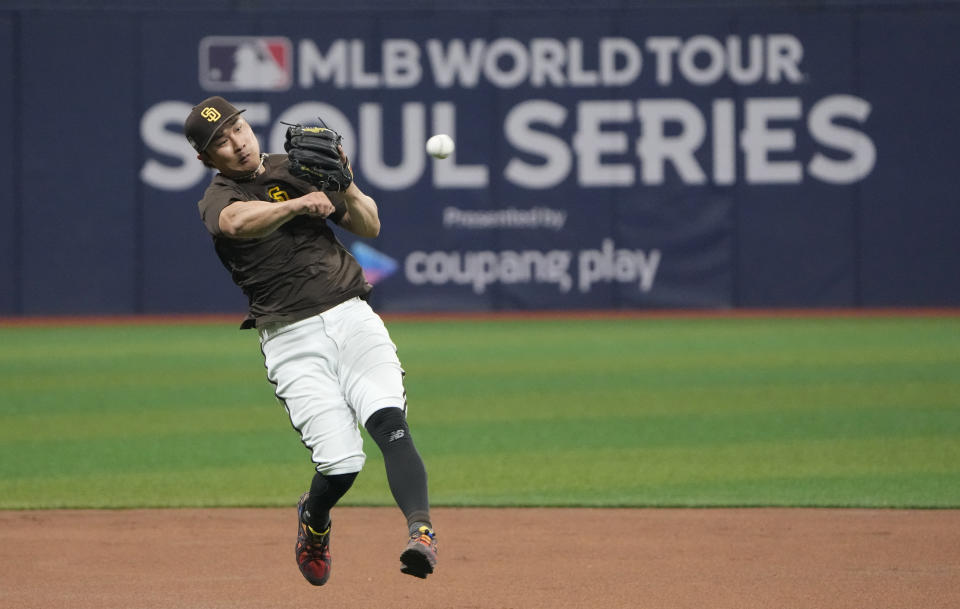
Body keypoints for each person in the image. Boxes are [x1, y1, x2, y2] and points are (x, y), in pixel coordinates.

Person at [183, 96, 438, 584]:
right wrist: (301, 203)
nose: (235, 143)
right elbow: (236, 223)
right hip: (290, 337)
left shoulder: (296, 167)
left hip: (352, 315)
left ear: (247, 126)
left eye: (236, 129)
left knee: (388, 421)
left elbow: (370, 224)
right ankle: (314, 519)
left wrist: (347, 182)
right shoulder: (218, 197)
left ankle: (421, 533)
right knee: (342, 464)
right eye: (219, 142)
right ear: (206, 158)